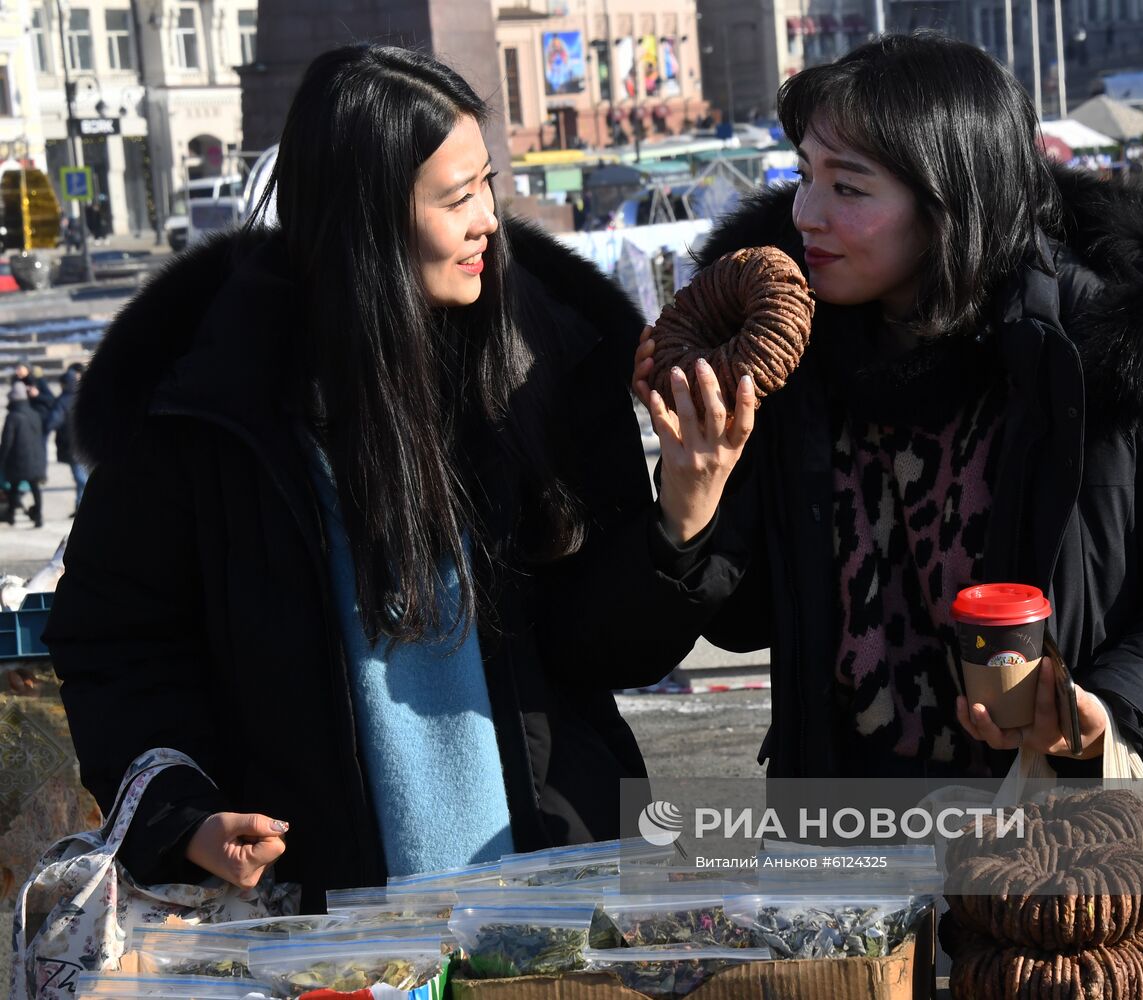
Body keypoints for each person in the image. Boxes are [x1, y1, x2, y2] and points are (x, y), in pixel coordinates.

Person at [633, 34, 1143, 997]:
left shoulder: (1103, 348)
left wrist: (1109, 709)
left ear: (947, 201)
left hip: (1094, 883)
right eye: (805, 175)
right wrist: (692, 502)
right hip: (873, 884)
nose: (808, 213)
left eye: (850, 187)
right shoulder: (795, 359)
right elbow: (748, 621)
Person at [44, 44, 699, 909]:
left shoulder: (545, 367)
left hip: (560, 892)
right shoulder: (203, 409)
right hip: (329, 921)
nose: (488, 222)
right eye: (456, 198)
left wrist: (685, 506)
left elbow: (609, 651)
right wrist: (185, 816)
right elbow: (116, 641)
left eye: (487, 186)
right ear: (367, 221)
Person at [0, 382, 46, 528]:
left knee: (13, 487)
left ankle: (11, 515)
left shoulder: (12, 416)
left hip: (17, 459)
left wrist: (2, 459)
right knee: (35, 488)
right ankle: (38, 517)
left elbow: (7, 441)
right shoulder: (34, 414)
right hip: (35, 458)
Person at [44, 363, 87, 514]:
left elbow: (53, 421)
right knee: (81, 474)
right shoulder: (83, 396)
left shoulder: (62, 400)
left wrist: (44, 428)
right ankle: (79, 505)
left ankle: (83, 506)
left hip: (70, 444)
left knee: (80, 476)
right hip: (83, 441)